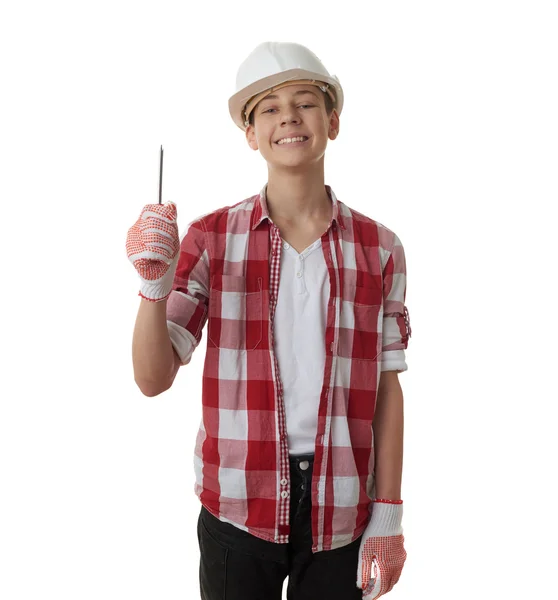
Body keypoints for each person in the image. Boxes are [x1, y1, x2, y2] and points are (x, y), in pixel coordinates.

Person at [126, 41, 412, 600]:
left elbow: (387, 387)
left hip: (342, 508)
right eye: (270, 108)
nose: (289, 117)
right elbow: (152, 378)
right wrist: (153, 287)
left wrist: (389, 512)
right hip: (237, 503)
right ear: (251, 133)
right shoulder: (210, 239)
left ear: (332, 121)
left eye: (305, 103)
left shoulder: (381, 249)